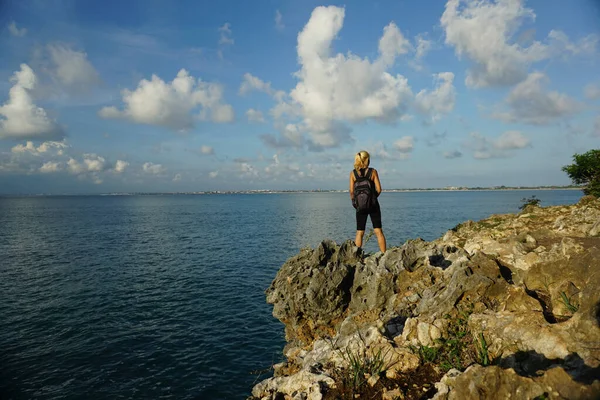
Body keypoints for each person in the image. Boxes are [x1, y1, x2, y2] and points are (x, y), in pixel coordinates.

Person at [349, 150, 387, 253]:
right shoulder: (373, 172)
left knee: (359, 232)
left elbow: (352, 192)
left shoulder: (353, 174)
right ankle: (384, 254)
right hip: (373, 205)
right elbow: (379, 189)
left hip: (360, 206)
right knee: (378, 231)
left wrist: (356, 203)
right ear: (366, 160)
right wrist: (372, 198)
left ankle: (357, 257)